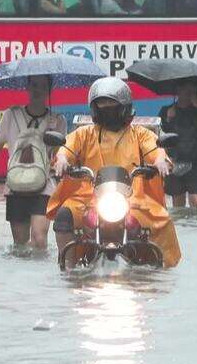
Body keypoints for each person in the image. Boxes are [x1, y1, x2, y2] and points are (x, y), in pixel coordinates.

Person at [48, 77, 181, 268]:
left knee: (161, 219)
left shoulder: (140, 134)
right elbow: (67, 149)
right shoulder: (84, 133)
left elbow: (155, 150)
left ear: (124, 107)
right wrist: (61, 160)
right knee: (64, 214)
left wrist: (160, 162)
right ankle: (67, 267)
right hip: (90, 198)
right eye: (102, 105)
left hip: (134, 198)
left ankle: (156, 267)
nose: (107, 109)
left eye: (112, 104)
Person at [0, 75, 67, 251]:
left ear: (49, 90)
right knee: (20, 245)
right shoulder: (11, 115)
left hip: (45, 186)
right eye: (33, 85)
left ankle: (40, 278)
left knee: (40, 240)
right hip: (15, 185)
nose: (37, 90)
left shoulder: (58, 120)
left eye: (42, 86)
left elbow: (60, 154)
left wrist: (60, 162)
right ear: (27, 87)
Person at [158, 79, 197, 208]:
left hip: (196, 162)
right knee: (178, 201)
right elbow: (160, 135)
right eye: (186, 91)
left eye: (192, 92)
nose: (188, 95)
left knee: (196, 200)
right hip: (174, 160)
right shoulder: (166, 111)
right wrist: (168, 120)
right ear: (178, 92)